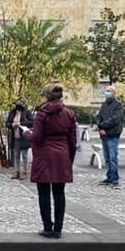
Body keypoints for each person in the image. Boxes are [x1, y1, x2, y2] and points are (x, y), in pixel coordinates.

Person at [25, 83, 77, 239]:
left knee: (44, 193)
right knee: (59, 193)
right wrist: (69, 160)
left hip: (44, 157)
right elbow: (73, 141)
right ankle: (58, 229)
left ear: (46, 96)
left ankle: (48, 227)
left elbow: (37, 137)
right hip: (62, 156)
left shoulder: (42, 114)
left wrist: (27, 133)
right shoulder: (69, 113)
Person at [96, 84, 124, 188]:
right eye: (106, 91)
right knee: (107, 158)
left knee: (113, 158)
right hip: (104, 135)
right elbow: (98, 117)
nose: (107, 93)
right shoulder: (103, 105)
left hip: (112, 135)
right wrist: (100, 127)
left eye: (109, 91)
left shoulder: (118, 105)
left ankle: (115, 179)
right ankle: (109, 177)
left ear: (114, 93)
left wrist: (102, 126)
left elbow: (115, 120)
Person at [6, 98, 34, 180]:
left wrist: (21, 124)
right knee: (16, 155)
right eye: (16, 103)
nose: (17, 105)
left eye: (19, 103)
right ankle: (16, 172)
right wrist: (12, 125)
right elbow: (7, 123)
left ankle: (24, 172)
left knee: (24, 155)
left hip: (24, 137)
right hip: (15, 137)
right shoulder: (12, 112)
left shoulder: (27, 112)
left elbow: (32, 122)